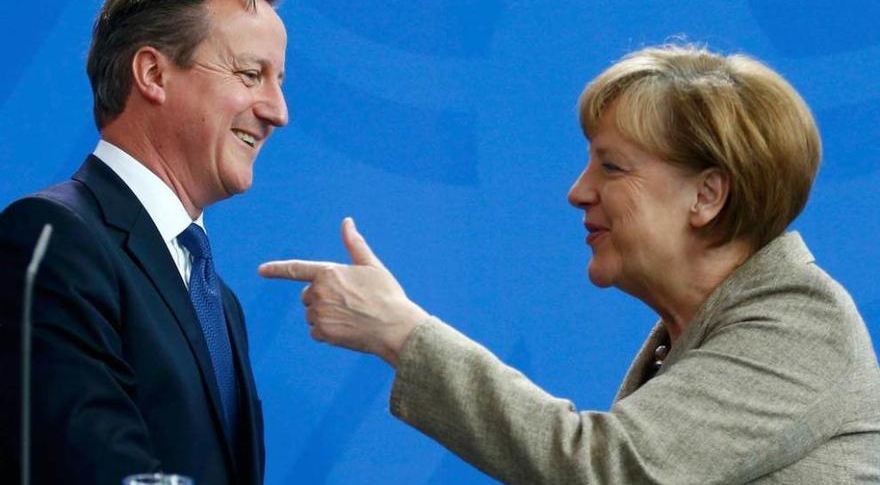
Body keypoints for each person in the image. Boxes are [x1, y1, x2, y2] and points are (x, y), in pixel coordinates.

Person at [259, 45, 880, 483]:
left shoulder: (801, 321)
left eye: (612, 167)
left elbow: (606, 470)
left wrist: (402, 333)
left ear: (707, 195)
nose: (578, 191)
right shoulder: (694, 334)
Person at [0, 0, 287, 483]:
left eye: (278, 81)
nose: (278, 112)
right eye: (250, 75)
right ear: (154, 74)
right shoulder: (53, 239)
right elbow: (89, 467)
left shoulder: (220, 301)